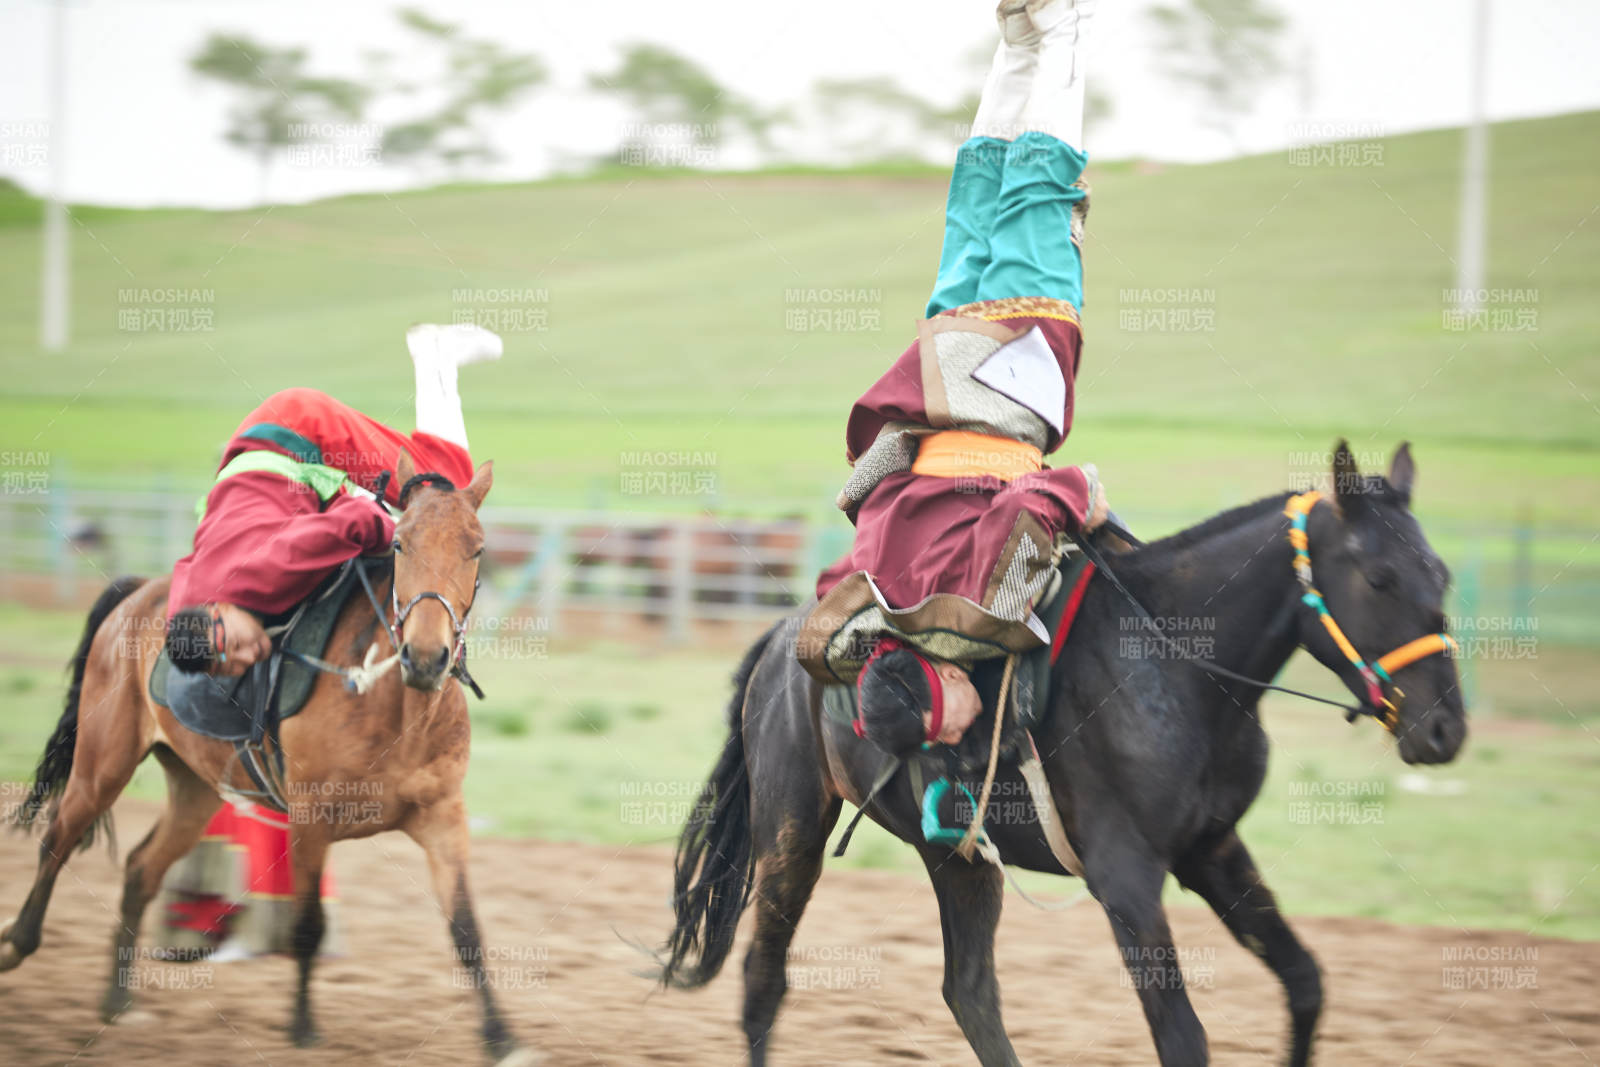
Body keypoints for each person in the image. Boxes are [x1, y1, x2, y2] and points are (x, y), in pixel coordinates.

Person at [798, 0, 1109, 754]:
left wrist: (1087, 497)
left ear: (943, 701)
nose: (960, 734)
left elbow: (1033, 511)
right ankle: (1014, 47)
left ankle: (1063, 28)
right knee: (973, 209)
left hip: (1014, 380)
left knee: (1041, 191)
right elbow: (859, 503)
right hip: (936, 372)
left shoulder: (971, 618)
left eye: (948, 729)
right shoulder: (867, 599)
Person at [163, 323, 501, 674]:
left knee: (443, 491)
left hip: (297, 427)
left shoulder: (271, 570)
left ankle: (435, 351)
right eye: (228, 669)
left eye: (235, 646)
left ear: (216, 612)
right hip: (258, 458)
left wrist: (411, 536)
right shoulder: (186, 614)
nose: (247, 657)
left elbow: (357, 521)